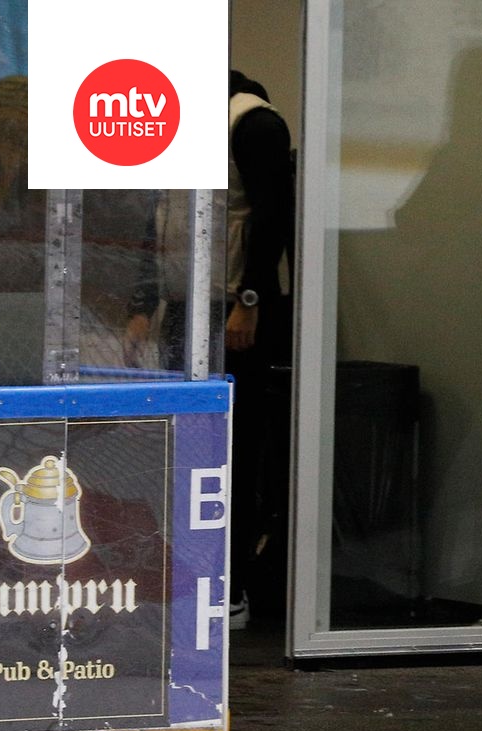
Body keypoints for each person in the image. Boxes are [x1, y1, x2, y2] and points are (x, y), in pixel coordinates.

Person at [129, 70, 294, 628]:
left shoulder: (252, 123)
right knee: (186, 444)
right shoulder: (172, 119)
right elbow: (157, 214)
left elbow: (273, 218)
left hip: (234, 307)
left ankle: (233, 582)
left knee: (235, 447)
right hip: (183, 303)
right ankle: (188, 574)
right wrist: (141, 303)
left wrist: (250, 300)